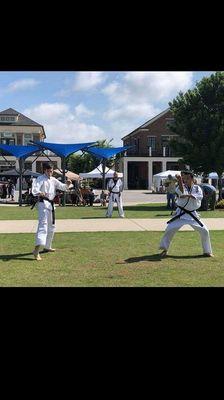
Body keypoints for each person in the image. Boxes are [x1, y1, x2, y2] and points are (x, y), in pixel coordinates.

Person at [159, 171, 213, 258]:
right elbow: (181, 191)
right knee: (169, 229)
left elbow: (198, 197)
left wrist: (188, 196)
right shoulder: (181, 186)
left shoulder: (197, 188)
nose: (185, 180)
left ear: (192, 179)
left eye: (187, 178)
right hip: (181, 213)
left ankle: (207, 251)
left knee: (205, 231)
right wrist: (179, 180)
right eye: (184, 179)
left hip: (192, 214)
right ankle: (164, 249)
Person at [32, 162, 72, 261]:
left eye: (52, 171)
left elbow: (62, 187)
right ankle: (36, 251)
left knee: (52, 226)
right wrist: (39, 192)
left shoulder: (53, 180)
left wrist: (67, 184)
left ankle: (47, 246)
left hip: (50, 205)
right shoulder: (40, 179)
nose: (51, 173)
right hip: (43, 205)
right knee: (43, 225)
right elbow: (34, 189)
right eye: (49, 171)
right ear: (45, 170)